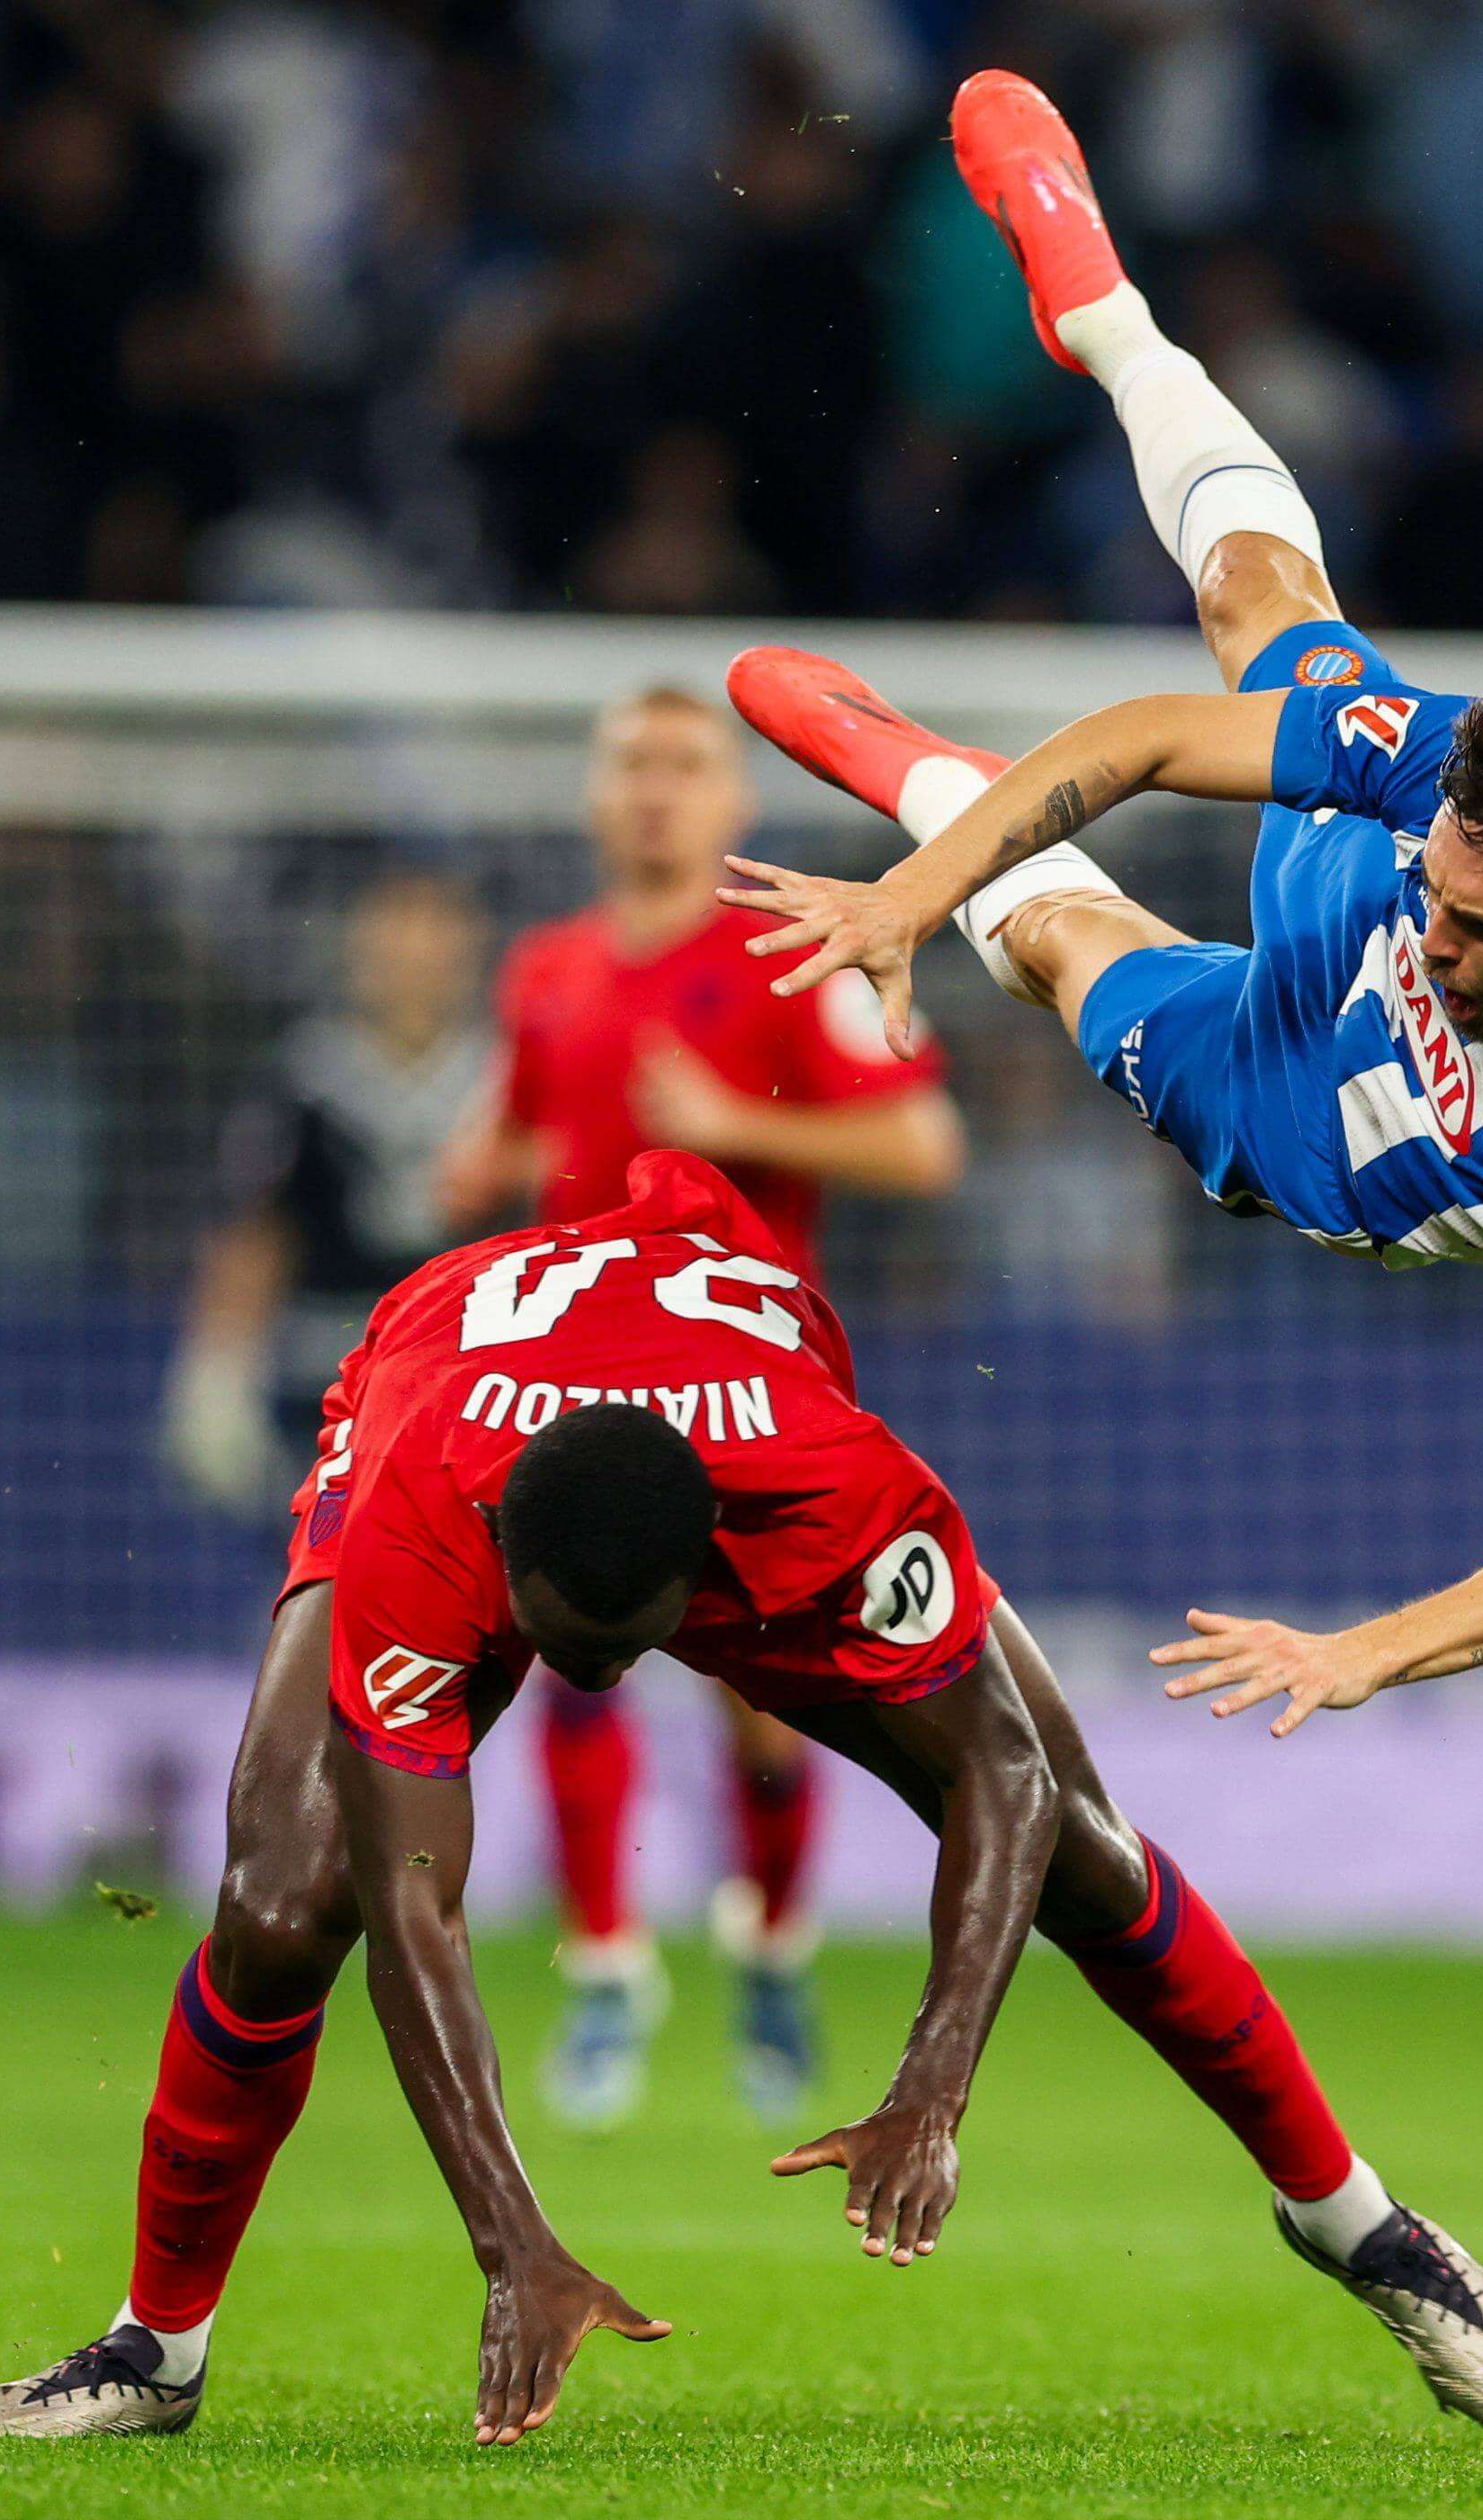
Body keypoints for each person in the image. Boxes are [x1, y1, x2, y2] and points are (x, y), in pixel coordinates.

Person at [0, 1153, 1483, 2445]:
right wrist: (515, 2246)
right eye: (548, 1641)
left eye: (612, 1652)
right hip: (450, 1360)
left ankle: (1364, 2227)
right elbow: (412, 1912)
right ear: (506, 1571)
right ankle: (156, 2350)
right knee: (286, 1899)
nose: (576, 1681)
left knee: (1079, 1843)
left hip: (734, 1387)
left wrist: (933, 2089)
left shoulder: (837, 1500)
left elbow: (999, 1770)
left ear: (697, 1602)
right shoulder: (436, 1511)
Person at [724, 72, 1483, 1734]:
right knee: (1265, 600)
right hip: (1327, 895)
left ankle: (907, 759)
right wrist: (914, 894)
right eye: (1453, 893)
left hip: (1319, 1131)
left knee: (1073, 953)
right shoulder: (1446, 790)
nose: (1446, 939)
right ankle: (1110, 319)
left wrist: (1364, 1651)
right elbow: (1142, 742)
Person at [437, 687, 967, 2128]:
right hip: (568, 1371)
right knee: (560, 1650)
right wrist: (481, 1163)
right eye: (634, 768)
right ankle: (608, 1973)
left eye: (686, 766)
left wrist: (739, 1131)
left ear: (735, 803)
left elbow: (926, 1141)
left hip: (746, 1381)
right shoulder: (546, 968)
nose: (658, 792)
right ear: (599, 800)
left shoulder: (797, 954)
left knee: (760, 1695)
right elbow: (521, 1119)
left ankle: (773, 1953)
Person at [161, 868, 492, 1516]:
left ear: (468, 952)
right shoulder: (305, 1078)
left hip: (470, 1375)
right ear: (359, 951)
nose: (412, 960)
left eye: (433, 935)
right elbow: (256, 1231)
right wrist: (216, 1373)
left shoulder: (507, 1074)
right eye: (393, 935)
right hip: (327, 1371)